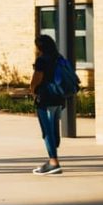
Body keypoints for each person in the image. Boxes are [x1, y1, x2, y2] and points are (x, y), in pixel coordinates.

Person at [30, 35, 66, 176]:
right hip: (59, 98)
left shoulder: (42, 60)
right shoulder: (59, 57)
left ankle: (53, 162)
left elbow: (36, 79)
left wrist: (32, 89)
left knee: (47, 131)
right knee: (54, 129)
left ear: (40, 47)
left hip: (46, 99)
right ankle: (52, 156)